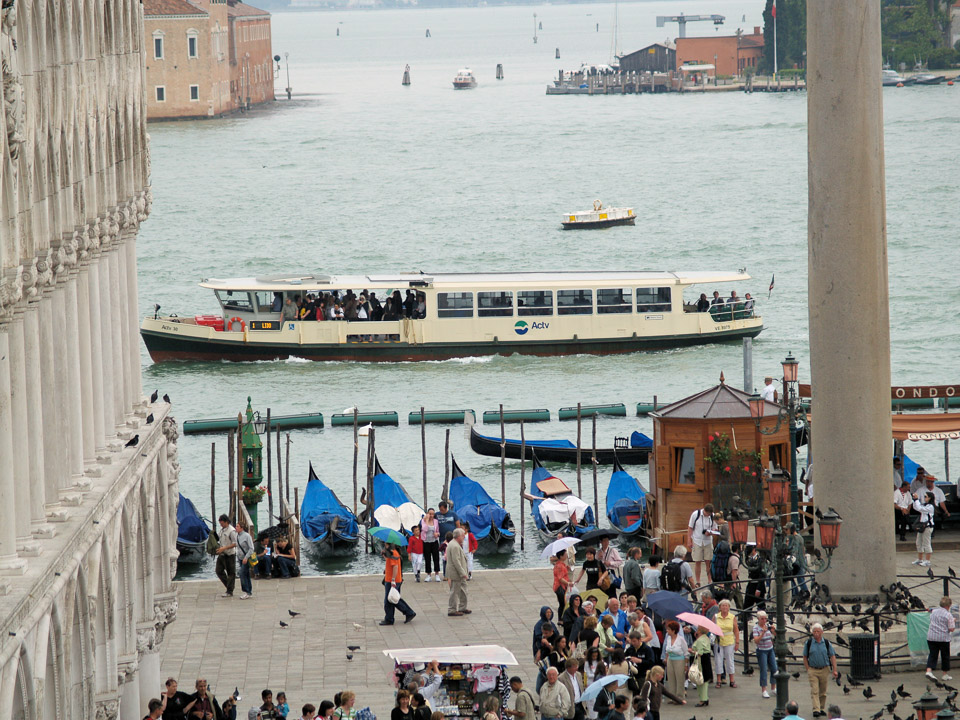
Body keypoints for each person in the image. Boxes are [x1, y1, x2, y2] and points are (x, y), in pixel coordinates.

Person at [803, 623, 838, 717]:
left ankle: (821, 707)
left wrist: (835, 669)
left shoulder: (826, 643)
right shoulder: (809, 643)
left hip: (824, 669)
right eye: (814, 631)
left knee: (823, 691)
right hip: (813, 670)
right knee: (814, 690)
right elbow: (805, 656)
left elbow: (832, 656)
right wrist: (808, 669)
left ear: (822, 632)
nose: (816, 633)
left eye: (818, 631)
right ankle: (816, 709)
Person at [380, 542, 417, 625]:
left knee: (390, 600)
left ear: (388, 545)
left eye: (385, 544)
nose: (384, 545)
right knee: (393, 598)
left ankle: (392, 618)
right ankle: (393, 617)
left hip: (392, 580)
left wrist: (393, 579)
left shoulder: (393, 553)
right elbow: (391, 563)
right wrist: (384, 556)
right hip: (393, 579)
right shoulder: (393, 553)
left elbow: (395, 567)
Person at [926, 596, 956, 681]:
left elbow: (930, 610)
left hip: (931, 637)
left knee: (932, 654)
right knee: (945, 656)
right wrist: (953, 621)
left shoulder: (934, 611)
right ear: (948, 605)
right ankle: (944, 674)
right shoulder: (948, 615)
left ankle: (929, 671)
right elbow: (951, 629)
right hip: (943, 638)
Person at [687, 504, 717, 586]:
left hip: (708, 541)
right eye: (707, 514)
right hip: (697, 540)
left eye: (709, 514)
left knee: (708, 562)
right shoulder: (695, 514)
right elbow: (690, 527)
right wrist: (689, 540)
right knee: (697, 561)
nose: (708, 515)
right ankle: (698, 581)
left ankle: (710, 580)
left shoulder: (712, 516)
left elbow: (715, 528)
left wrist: (711, 532)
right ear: (704, 510)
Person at [713, 599, 739, 687]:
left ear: (729, 607)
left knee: (730, 660)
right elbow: (712, 628)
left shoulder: (732, 617)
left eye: (726, 606)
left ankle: (732, 680)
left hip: (729, 641)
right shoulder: (716, 616)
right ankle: (719, 680)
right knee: (718, 661)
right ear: (720, 607)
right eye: (723, 606)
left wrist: (737, 642)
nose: (724, 607)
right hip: (719, 641)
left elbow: (736, 630)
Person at [752, 610, 778, 698]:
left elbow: (774, 636)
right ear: (758, 619)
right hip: (761, 650)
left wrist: (774, 631)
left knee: (774, 668)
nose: (764, 621)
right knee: (763, 669)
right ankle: (764, 690)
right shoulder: (756, 628)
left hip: (770, 649)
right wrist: (762, 632)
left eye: (765, 619)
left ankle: (773, 688)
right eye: (762, 619)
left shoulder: (768, 626)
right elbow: (756, 641)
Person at [446, 528, 470, 616]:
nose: (464, 537)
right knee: (455, 592)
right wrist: (463, 573)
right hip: (456, 573)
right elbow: (456, 561)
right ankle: (452, 609)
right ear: (459, 536)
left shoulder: (454, 544)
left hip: (458, 573)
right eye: (463, 535)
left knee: (463, 590)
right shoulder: (455, 546)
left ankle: (462, 607)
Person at [661, 621, 688, 700]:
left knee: (679, 679)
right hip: (670, 660)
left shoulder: (681, 639)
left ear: (673, 630)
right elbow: (667, 650)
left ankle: (680, 697)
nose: (667, 631)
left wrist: (686, 665)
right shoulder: (668, 638)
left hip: (679, 660)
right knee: (671, 678)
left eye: (669, 629)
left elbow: (686, 653)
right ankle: (672, 696)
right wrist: (666, 659)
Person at [215, 515, 238, 597]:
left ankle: (229, 591)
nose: (221, 525)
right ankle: (229, 585)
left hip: (229, 554)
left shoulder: (232, 531)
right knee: (218, 571)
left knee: (231, 573)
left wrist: (225, 548)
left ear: (226, 522)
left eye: (222, 523)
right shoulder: (221, 530)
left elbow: (235, 543)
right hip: (221, 554)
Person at [689, 626, 712, 707]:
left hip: (700, 661)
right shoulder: (706, 638)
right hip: (706, 660)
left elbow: (699, 653)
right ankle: (705, 698)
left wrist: (691, 651)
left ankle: (703, 699)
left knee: (700, 680)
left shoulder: (699, 640)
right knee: (705, 681)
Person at [913, 490, 936, 567]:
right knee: (918, 542)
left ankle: (928, 560)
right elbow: (916, 507)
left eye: (926, 497)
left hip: (927, 527)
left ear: (930, 498)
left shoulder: (930, 507)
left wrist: (916, 500)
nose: (924, 498)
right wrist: (915, 500)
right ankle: (920, 559)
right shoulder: (925, 505)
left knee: (926, 543)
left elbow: (920, 508)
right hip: (922, 526)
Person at [419, 509, 441, 582]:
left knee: (436, 558)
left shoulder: (436, 521)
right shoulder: (423, 521)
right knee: (427, 558)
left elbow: (438, 531)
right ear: (427, 513)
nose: (431, 515)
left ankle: (437, 574)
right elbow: (424, 529)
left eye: (433, 514)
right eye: (430, 514)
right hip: (426, 542)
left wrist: (437, 534)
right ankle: (428, 574)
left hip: (434, 541)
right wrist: (427, 520)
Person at [236, 521, 255, 600]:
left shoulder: (247, 536)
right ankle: (249, 591)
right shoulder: (237, 536)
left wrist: (246, 557)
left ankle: (246, 591)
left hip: (246, 558)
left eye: (237, 526)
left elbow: (251, 548)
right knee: (246, 574)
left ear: (242, 528)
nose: (236, 528)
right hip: (240, 558)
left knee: (242, 573)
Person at [554, 549, 573, 617]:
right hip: (560, 587)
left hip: (562, 586)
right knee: (563, 603)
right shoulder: (559, 566)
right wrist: (568, 583)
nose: (566, 555)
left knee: (563, 603)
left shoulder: (562, 564)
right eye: (565, 554)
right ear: (561, 556)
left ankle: (561, 618)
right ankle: (561, 618)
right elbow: (560, 578)